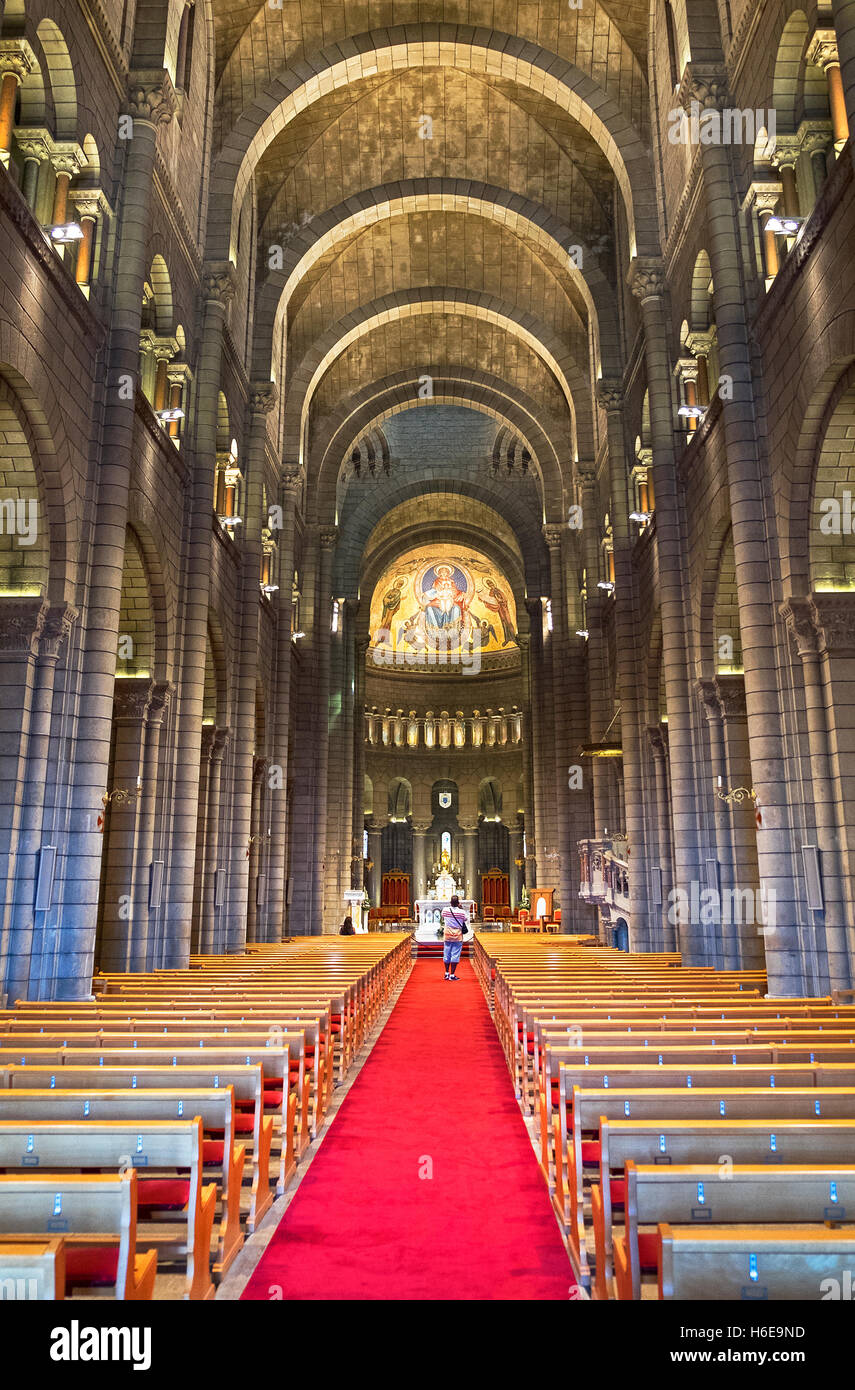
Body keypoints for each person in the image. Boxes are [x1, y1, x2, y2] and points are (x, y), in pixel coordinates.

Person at [441, 895, 467, 981]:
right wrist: (461, 908)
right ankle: (452, 975)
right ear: (458, 903)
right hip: (457, 935)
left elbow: (442, 916)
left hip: (448, 933)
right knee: (455, 955)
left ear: (450, 903)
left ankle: (446, 973)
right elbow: (465, 919)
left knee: (446, 953)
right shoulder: (462, 912)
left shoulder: (445, 910)